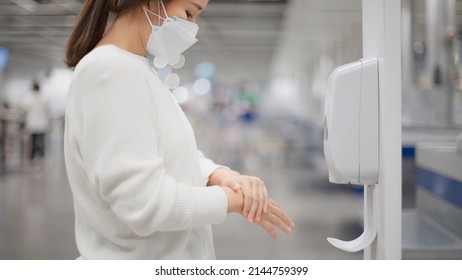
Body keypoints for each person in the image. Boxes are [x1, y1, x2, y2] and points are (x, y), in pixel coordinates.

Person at [64, 0, 294, 259]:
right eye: (189, 13)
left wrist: (220, 176)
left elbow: (174, 153)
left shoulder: (139, 70)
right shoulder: (110, 71)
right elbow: (143, 203)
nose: (192, 27)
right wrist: (235, 200)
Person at [20, 81, 50, 162]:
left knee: (33, 140)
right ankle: (41, 155)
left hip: (32, 122)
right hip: (41, 123)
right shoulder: (43, 96)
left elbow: (24, 108)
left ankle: (33, 156)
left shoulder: (28, 96)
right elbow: (47, 109)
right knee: (41, 140)